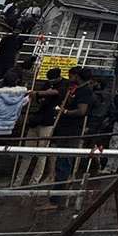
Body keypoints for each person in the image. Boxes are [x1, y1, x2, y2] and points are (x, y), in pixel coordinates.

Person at [42, 67, 94, 208]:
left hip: (72, 131)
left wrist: (65, 111)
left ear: (77, 76)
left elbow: (82, 111)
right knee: (61, 163)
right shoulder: (74, 89)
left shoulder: (85, 91)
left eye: (72, 76)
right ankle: (56, 198)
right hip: (64, 130)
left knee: (63, 164)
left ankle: (56, 200)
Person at [13, 67, 65, 186]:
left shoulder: (64, 84)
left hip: (49, 122)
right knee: (27, 152)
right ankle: (17, 181)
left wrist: (37, 93)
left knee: (42, 154)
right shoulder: (47, 83)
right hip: (37, 120)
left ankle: (34, 181)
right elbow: (38, 97)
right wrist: (38, 97)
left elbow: (55, 92)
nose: (50, 82)